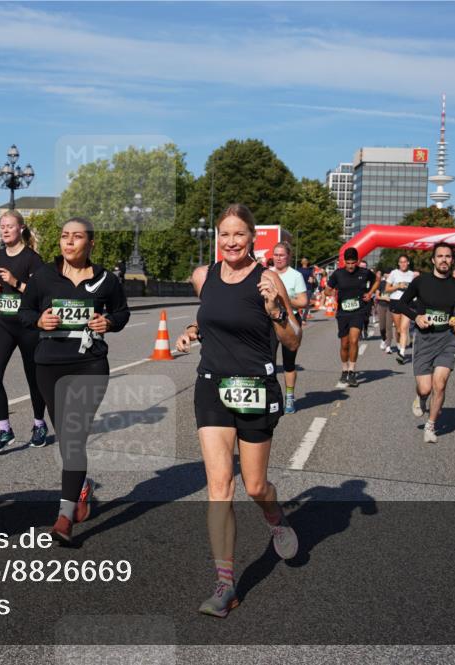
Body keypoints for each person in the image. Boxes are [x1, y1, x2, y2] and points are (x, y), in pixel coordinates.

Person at [175, 204, 300, 618]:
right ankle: (225, 584)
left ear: (252, 238)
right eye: (224, 235)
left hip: (255, 388)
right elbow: (212, 319)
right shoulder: (203, 276)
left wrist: (275, 311)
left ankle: (274, 514)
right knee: (219, 486)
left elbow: (293, 339)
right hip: (212, 386)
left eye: (239, 235)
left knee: (255, 485)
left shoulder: (268, 279)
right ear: (218, 238)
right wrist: (191, 332)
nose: (231, 242)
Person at [19, 217, 130, 544]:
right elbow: (24, 313)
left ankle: (64, 518)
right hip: (49, 364)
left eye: (77, 236)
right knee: (67, 440)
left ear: (90, 243)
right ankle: (80, 488)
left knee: (74, 438)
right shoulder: (43, 277)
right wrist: (39, 320)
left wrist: (108, 322)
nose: (69, 242)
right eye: (65, 236)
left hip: (89, 363)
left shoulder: (106, 279)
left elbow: (122, 313)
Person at [0, 210, 50, 453]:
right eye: (2, 226)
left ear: (21, 228)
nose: (4, 230)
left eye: (9, 226)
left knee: (34, 379)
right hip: (3, 323)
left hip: (28, 326)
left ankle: (39, 424)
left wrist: (15, 283)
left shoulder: (33, 259)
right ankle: (4, 429)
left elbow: (40, 294)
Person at [395, 242, 455, 443]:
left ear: (452, 260)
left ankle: (431, 425)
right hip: (424, 339)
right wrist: (416, 317)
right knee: (425, 388)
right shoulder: (421, 282)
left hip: (447, 339)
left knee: (440, 384)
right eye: (440, 256)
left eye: (448, 256)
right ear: (433, 260)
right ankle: (421, 397)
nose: (444, 260)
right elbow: (401, 303)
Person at [325, 248, 377, 388]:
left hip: (358, 311)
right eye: (348, 263)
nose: (350, 266)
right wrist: (330, 292)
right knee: (344, 343)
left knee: (354, 340)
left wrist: (370, 293)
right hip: (343, 312)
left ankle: (352, 371)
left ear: (357, 261)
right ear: (344, 262)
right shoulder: (338, 274)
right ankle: (344, 370)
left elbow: (376, 280)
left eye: (353, 263)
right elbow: (326, 290)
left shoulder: (364, 272)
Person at [270, 242, 308, 414]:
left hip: (289, 320)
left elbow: (303, 301)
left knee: (288, 363)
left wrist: (283, 299)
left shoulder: (295, 276)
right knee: (268, 362)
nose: (278, 258)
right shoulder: (266, 274)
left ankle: (290, 397)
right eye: (275, 255)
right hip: (270, 320)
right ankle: (271, 397)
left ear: (288, 257)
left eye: (282, 255)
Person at [386, 255, 417, 364]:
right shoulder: (394, 273)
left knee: (404, 329)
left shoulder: (412, 274)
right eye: (401, 262)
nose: (403, 264)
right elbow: (387, 289)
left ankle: (402, 353)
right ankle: (399, 345)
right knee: (398, 329)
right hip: (395, 302)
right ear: (398, 263)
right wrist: (398, 286)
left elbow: (416, 289)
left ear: (408, 262)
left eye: (405, 262)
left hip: (408, 303)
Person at [375, 270, 394, 354]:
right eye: (388, 273)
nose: (389, 275)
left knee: (389, 326)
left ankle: (388, 346)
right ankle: (383, 339)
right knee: (382, 327)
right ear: (385, 275)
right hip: (381, 306)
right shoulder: (381, 283)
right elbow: (377, 296)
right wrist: (385, 298)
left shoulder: (394, 284)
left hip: (391, 307)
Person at [298, 257, 316, 322]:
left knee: (299, 303)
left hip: (300, 288)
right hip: (308, 288)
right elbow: (312, 280)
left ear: (301, 263)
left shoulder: (298, 270)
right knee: (307, 304)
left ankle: (298, 317)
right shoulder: (310, 270)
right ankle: (304, 319)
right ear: (307, 263)